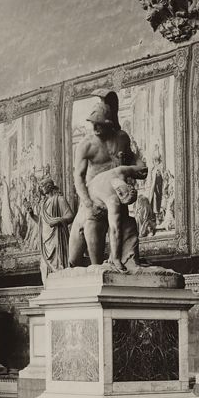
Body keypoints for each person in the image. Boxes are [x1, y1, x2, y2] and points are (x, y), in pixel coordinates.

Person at [68, 90, 148, 269]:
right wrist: (88, 203)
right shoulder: (86, 145)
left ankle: (119, 261)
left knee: (123, 228)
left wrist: (139, 166)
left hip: (115, 195)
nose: (94, 128)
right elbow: (78, 177)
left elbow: (135, 159)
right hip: (93, 201)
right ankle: (97, 269)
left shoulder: (121, 138)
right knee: (75, 257)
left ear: (109, 123)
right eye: (93, 124)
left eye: (99, 125)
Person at [36, 175, 73, 280]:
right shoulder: (43, 204)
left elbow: (70, 216)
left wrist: (58, 220)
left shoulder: (59, 200)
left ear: (49, 186)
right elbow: (41, 223)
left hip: (57, 238)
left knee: (59, 266)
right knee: (44, 268)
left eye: (42, 185)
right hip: (46, 242)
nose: (41, 188)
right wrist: (31, 215)